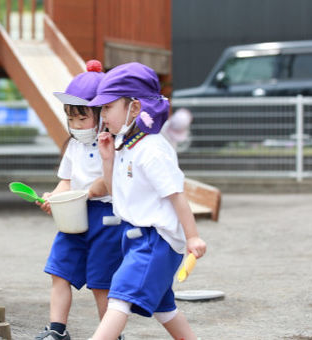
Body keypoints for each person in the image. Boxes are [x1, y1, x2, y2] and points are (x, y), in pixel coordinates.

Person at [87, 62, 207, 340]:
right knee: (164, 308)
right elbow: (116, 192)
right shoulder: (127, 144)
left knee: (119, 296)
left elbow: (176, 193)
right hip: (136, 238)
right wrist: (108, 160)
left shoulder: (152, 149)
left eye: (107, 107)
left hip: (156, 240)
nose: (102, 116)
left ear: (135, 108)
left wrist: (193, 237)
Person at [35, 60, 126, 340]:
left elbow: (106, 184)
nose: (75, 125)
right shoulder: (74, 145)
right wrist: (54, 196)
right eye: (71, 118)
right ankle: (57, 330)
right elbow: (67, 180)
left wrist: (83, 194)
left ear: (102, 113)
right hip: (73, 215)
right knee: (59, 272)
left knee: (102, 283)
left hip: (106, 218)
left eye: (81, 118)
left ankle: (109, 335)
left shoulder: (115, 144)